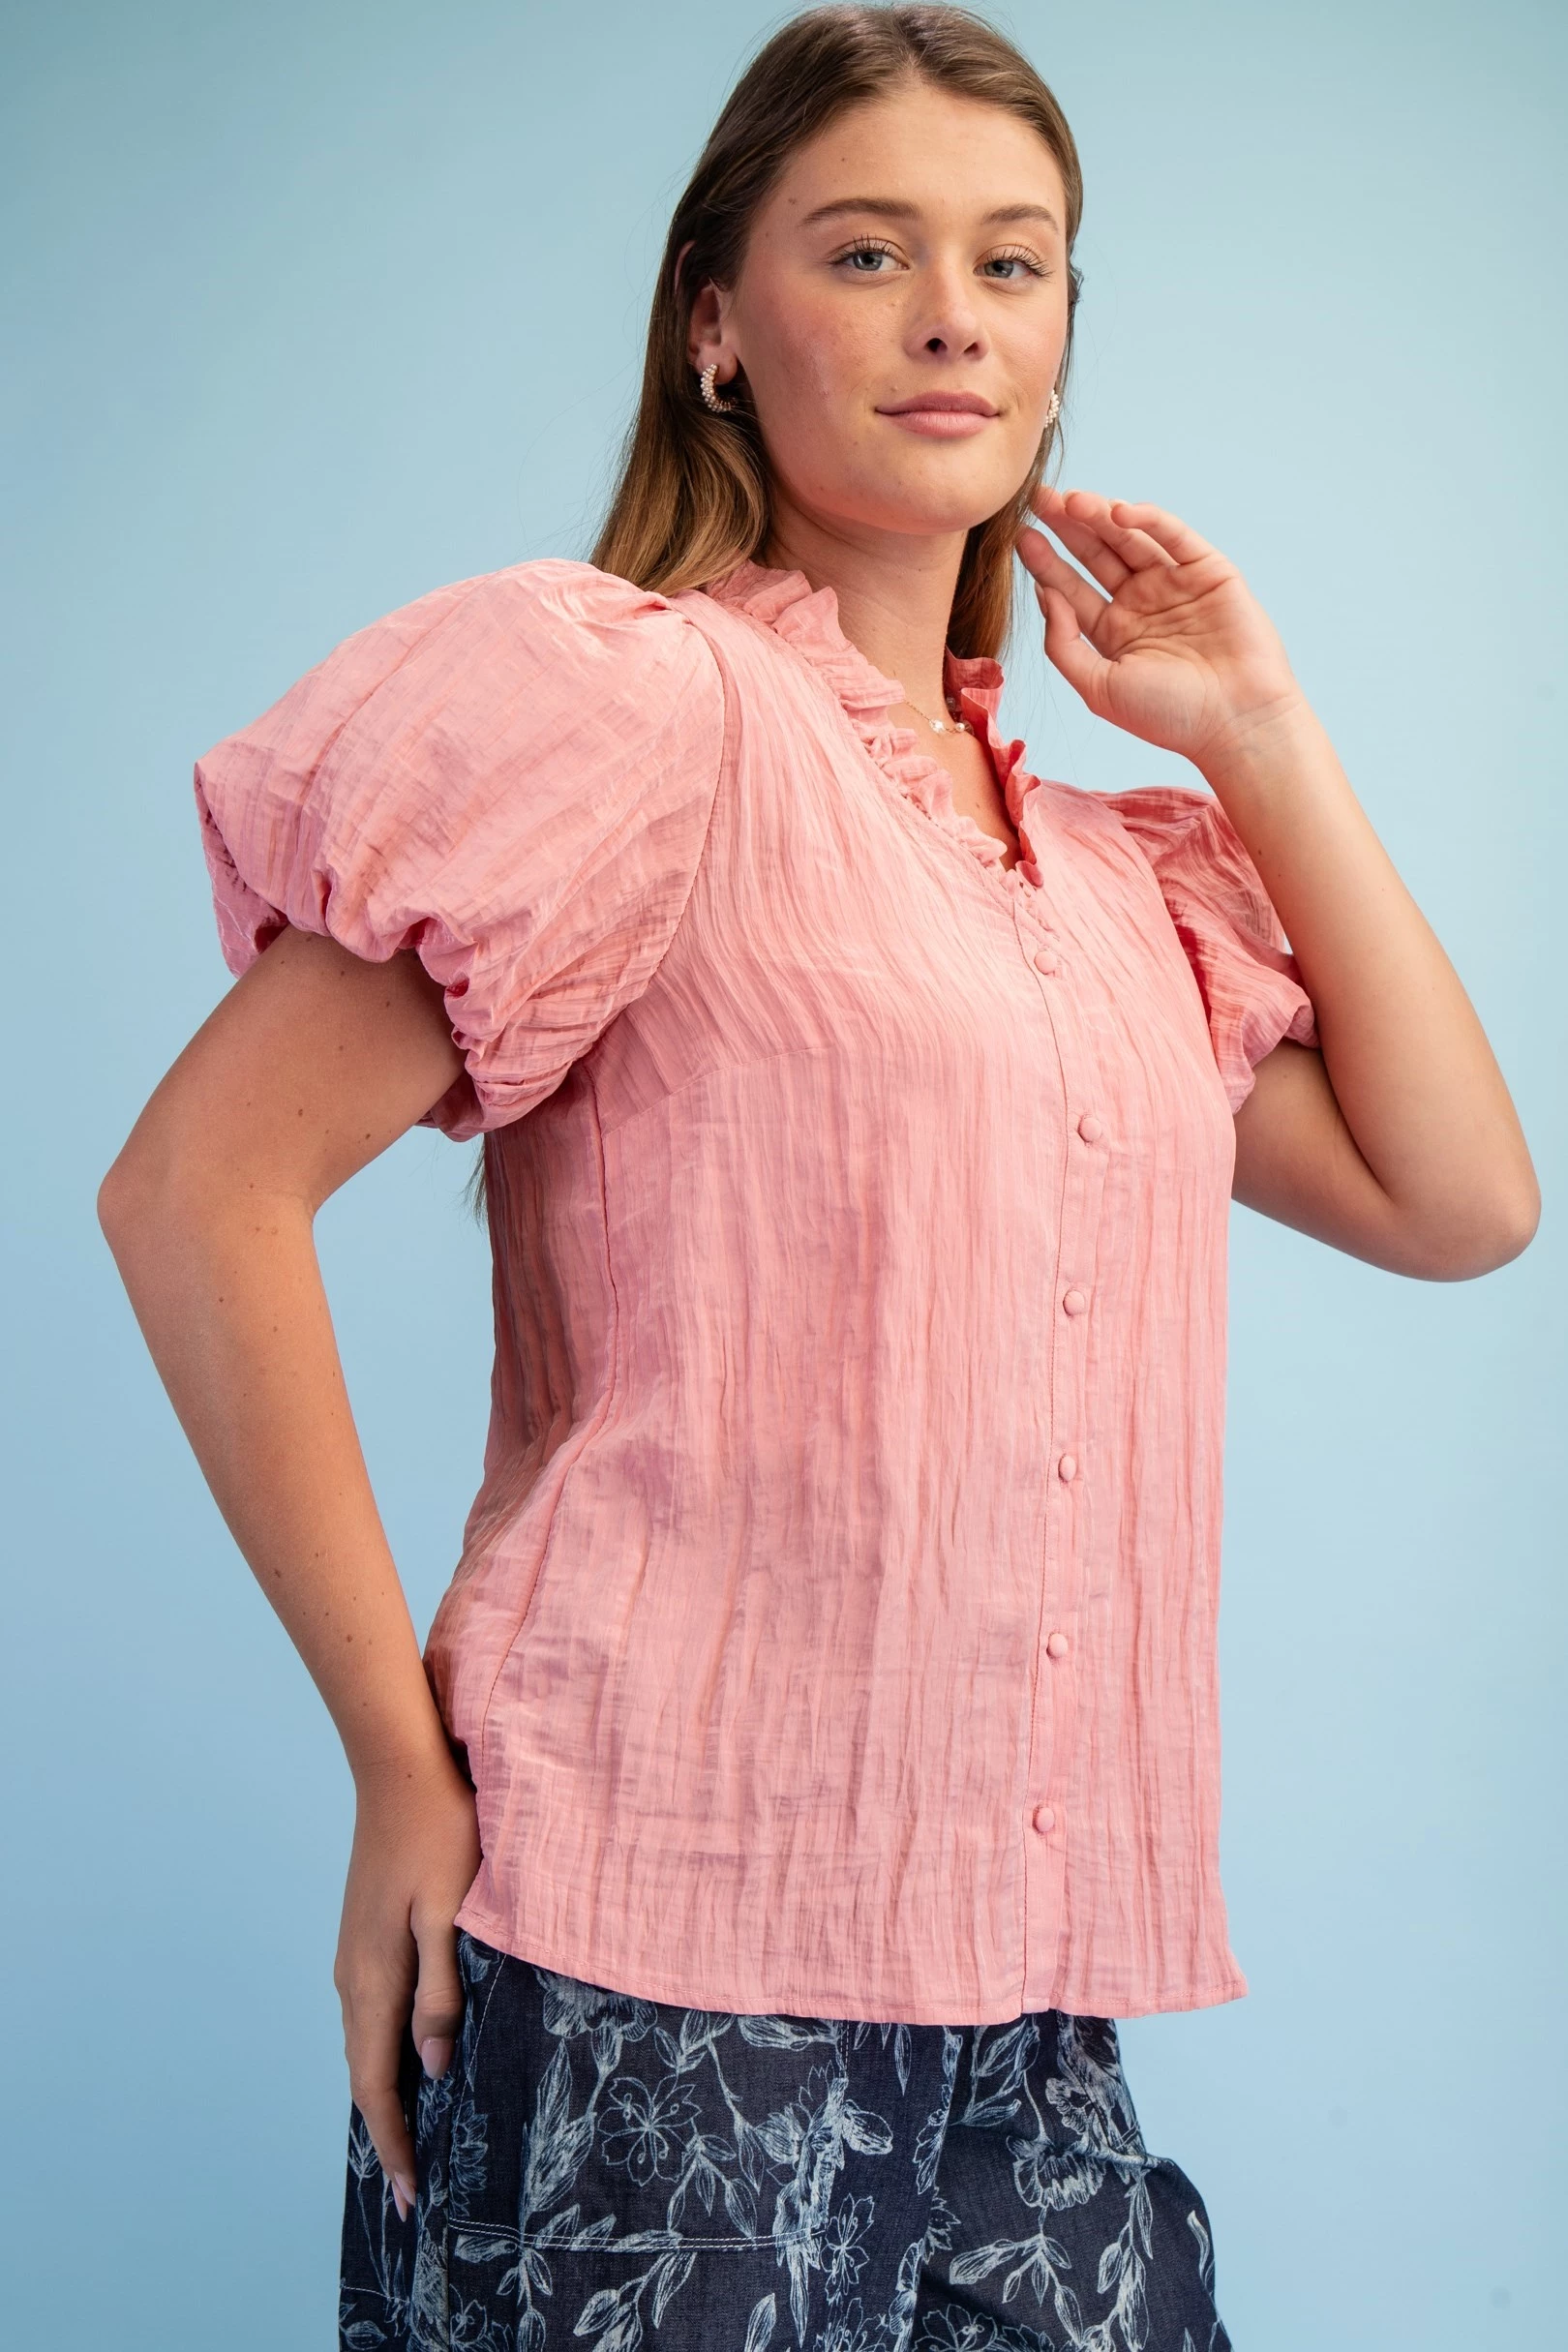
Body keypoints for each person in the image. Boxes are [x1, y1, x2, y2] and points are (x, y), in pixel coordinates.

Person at [99, 7, 1539, 2348]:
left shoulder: (1111, 882)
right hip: (652, 1974)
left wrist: (1262, 730)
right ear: (716, 323)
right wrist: (395, 1766)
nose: (953, 314)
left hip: (1026, 2000)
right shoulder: (635, 708)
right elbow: (194, 1190)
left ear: (1063, 340)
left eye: (1014, 262)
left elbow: (1460, 1201)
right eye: (868, 253)